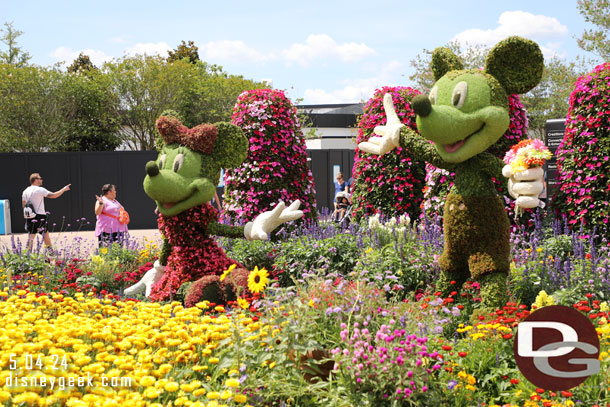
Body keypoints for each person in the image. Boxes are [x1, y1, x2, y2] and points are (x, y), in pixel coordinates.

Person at [22, 173, 71, 251]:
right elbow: (54, 195)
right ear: (35, 180)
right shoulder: (40, 189)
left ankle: (26, 257)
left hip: (30, 216)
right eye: (40, 178)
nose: (42, 180)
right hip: (40, 216)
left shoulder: (25, 191)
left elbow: (23, 205)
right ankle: (50, 255)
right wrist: (64, 189)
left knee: (30, 238)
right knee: (46, 237)